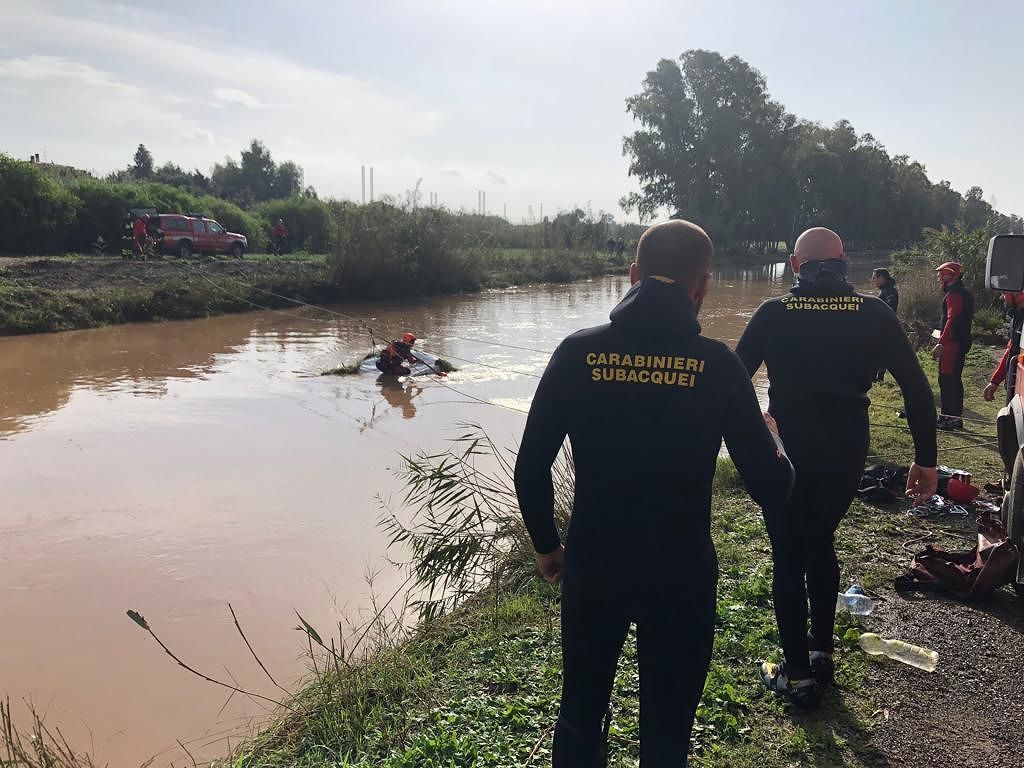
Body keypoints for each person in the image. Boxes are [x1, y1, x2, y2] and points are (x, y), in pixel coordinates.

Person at [514, 219, 794, 766]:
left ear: (633, 275)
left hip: (595, 565)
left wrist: (547, 545)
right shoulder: (718, 364)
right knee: (667, 731)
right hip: (681, 573)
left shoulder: (577, 352)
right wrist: (776, 437)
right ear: (703, 286)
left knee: (580, 714)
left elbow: (531, 467)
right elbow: (771, 486)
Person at [735, 227, 937, 708]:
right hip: (846, 449)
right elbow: (915, 387)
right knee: (820, 539)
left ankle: (798, 676)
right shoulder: (873, 312)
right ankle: (821, 652)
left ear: (794, 265)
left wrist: (745, 435)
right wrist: (926, 459)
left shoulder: (774, 313)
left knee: (788, 555)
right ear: (843, 259)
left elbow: (732, 381)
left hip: (787, 451)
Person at [932, 261, 974, 430]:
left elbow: (952, 319)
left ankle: (948, 418)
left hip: (952, 344)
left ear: (949, 276)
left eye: (941, 275)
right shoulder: (962, 292)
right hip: (958, 342)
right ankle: (955, 418)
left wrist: (941, 343)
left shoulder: (955, 294)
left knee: (947, 380)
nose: (939, 278)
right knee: (953, 380)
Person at [984, 291, 1024, 404]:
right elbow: (1010, 350)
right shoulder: (1017, 317)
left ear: (1018, 294)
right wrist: (995, 381)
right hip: (1015, 387)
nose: (1002, 297)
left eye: (1005, 293)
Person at [870, 268, 899, 381]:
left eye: (874, 278)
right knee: (879, 351)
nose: (872, 280)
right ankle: (876, 377)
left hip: (885, 327)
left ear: (881, 278)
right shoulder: (885, 290)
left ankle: (878, 377)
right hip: (882, 326)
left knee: (879, 352)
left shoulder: (889, 291)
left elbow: (890, 309)